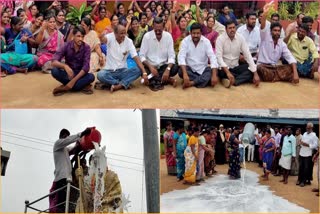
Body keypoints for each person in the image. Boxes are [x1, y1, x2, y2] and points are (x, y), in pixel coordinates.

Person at [96, 24, 148, 92]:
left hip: (123, 71)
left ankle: (117, 85)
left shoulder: (129, 41)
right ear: (115, 33)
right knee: (100, 75)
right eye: (121, 33)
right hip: (110, 71)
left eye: (125, 33)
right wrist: (101, 36)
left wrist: (144, 72)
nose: (124, 35)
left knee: (138, 70)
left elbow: (136, 57)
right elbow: (103, 40)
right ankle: (122, 83)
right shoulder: (110, 37)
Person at [256, 2, 299, 84]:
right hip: (263, 66)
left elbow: (290, 57)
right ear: (271, 31)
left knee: (290, 68)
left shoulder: (281, 43)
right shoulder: (265, 37)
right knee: (260, 69)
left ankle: (274, 77)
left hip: (275, 68)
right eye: (275, 30)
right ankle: (280, 77)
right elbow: (262, 25)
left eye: (279, 31)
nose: (277, 33)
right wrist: (265, 13)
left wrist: (296, 74)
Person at [51, 128, 91, 213]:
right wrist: (82, 133)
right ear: (61, 136)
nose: (67, 138)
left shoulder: (65, 149)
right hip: (61, 178)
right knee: (61, 204)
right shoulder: (57, 144)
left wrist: (88, 147)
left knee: (66, 202)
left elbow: (75, 149)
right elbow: (69, 141)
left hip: (67, 179)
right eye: (66, 136)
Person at [51, 26, 95, 96]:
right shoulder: (66, 45)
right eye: (78, 36)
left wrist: (73, 81)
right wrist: (65, 66)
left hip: (80, 74)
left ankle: (66, 87)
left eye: (82, 37)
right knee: (54, 71)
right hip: (69, 74)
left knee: (91, 77)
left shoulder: (86, 47)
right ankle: (78, 86)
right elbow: (53, 62)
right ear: (73, 36)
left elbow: (86, 67)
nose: (80, 39)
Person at [216, 19, 260, 88]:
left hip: (236, 67)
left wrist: (255, 73)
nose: (232, 30)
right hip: (224, 69)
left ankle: (233, 81)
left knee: (251, 69)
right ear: (226, 29)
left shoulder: (240, 38)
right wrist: (228, 73)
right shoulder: (220, 39)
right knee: (220, 72)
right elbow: (219, 58)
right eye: (230, 28)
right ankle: (232, 78)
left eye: (233, 27)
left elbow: (247, 55)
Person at [140, 17, 178, 91]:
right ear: (153, 27)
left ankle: (153, 80)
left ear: (164, 27)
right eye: (156, 29)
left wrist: (168, 69)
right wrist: (151, 67)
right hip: (149, 66)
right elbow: (141, 56)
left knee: (175, 68)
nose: (157, 32)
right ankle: (167, 80)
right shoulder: (147, 36)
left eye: (160, 30)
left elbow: (172, 56)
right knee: (141, 70)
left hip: (163, 66)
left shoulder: (168, 36)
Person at [178, 23, 219, 89]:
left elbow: (212, 57)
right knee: (180, 71)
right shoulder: (185, 41)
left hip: (203, 69)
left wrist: (214, 75)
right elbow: (181, 57)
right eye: (194, 33)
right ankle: (203, 81)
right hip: (190, 70)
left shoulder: (206, 42)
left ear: (201, 33)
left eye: (198, 33)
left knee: (212, 71)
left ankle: (191, 83)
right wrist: (185, 74)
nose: (196, 35)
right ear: (190, 32)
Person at [296, 122, 319, 187]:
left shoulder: (314, 136)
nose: (307, 129)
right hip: (302, 152)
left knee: (306, 168)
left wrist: (308, 145)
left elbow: (315, 145)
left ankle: (304, 181)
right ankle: (299, 179)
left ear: (311, 128)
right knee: (300, 167)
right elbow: (302, 141)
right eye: (306, 127)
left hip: (308, 154)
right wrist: (301, 143)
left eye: (308, 128)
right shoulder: (304, 134)